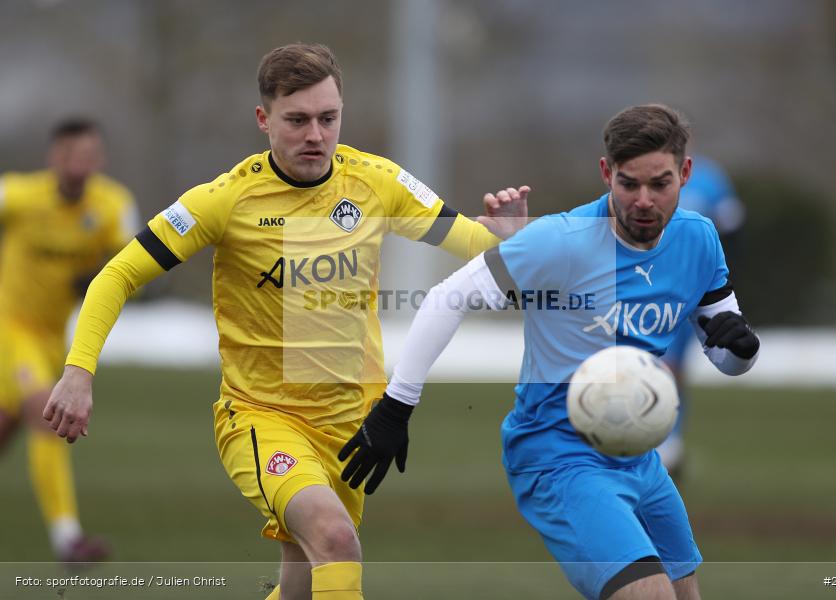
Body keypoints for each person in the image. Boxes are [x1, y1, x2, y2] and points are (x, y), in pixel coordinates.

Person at [42, 42, 527, 600]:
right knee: (336, 541)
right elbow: (116, 274)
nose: (315, 135)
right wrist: (79, 371)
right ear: (263, 119)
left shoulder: (376, 182)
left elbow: (470, 240)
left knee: (299, 584)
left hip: (351, 425)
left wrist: (508, 238)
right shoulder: (225, 200)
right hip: (262, 417)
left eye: (328, 118)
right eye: (296, 120)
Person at [339, 104, 760, 599]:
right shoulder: (561, 239)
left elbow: (727, 357)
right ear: (607, 173)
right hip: (559, 457)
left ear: (685, 173)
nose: (644, 200)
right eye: (628, 184)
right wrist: (397, 405)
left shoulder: (700, 239)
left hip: (638, 456)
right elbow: (447, 297)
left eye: (660, 184)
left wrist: (743, 349)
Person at [0, 118, 138, 562]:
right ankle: (67, 539)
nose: (81, 164)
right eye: (72, 155)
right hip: (9, 329)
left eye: (89, 156)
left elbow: (132, 262)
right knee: (45, 412)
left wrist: (98, 277)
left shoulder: (113, 204)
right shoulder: (18, 196)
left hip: (52, 337)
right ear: (54, 157)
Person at [656, 155, 745, 473]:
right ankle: (650, 441)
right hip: (650, 283)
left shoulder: (711, 179)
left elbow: (733, 225)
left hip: (691, 289)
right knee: (653, 364)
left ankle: (669, 442)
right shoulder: (645, 179)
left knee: (673, 367)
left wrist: (718, 278)